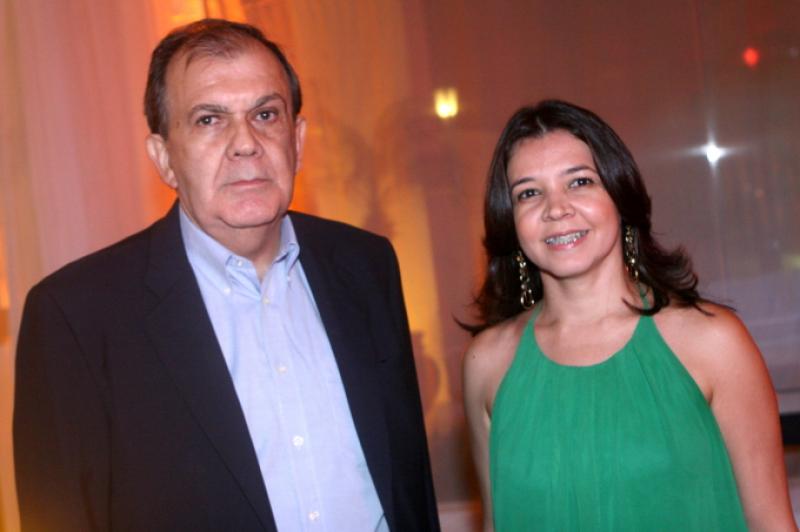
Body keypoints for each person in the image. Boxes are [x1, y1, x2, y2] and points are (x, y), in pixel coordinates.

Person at [14, 18, 439, 532]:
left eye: (266, 114)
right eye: (209, 120)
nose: (245, 143)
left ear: (298, 140)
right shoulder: (76, 316)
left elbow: (411, 483)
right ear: (164, 158)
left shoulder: (367, 265)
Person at [462, 99, 797, 530]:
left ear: (620, 197)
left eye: (580, 182)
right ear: (510, 222)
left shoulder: (712, 342)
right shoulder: (488, 363)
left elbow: (771, 523)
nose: (556, 208)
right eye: (529, 193)